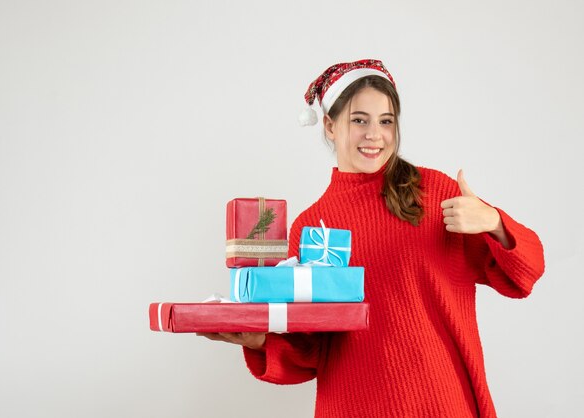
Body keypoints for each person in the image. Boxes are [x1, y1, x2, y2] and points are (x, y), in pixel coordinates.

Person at [198, 59, 545, 418]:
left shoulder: (435, 192)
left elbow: (526, 274)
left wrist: (495, 223)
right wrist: (259, 340)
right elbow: (313, 351)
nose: (374, 134)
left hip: (441, 403)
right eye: (359, 120)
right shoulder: (309, 226)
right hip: (352, 406)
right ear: (330, 126)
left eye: (386, 121)